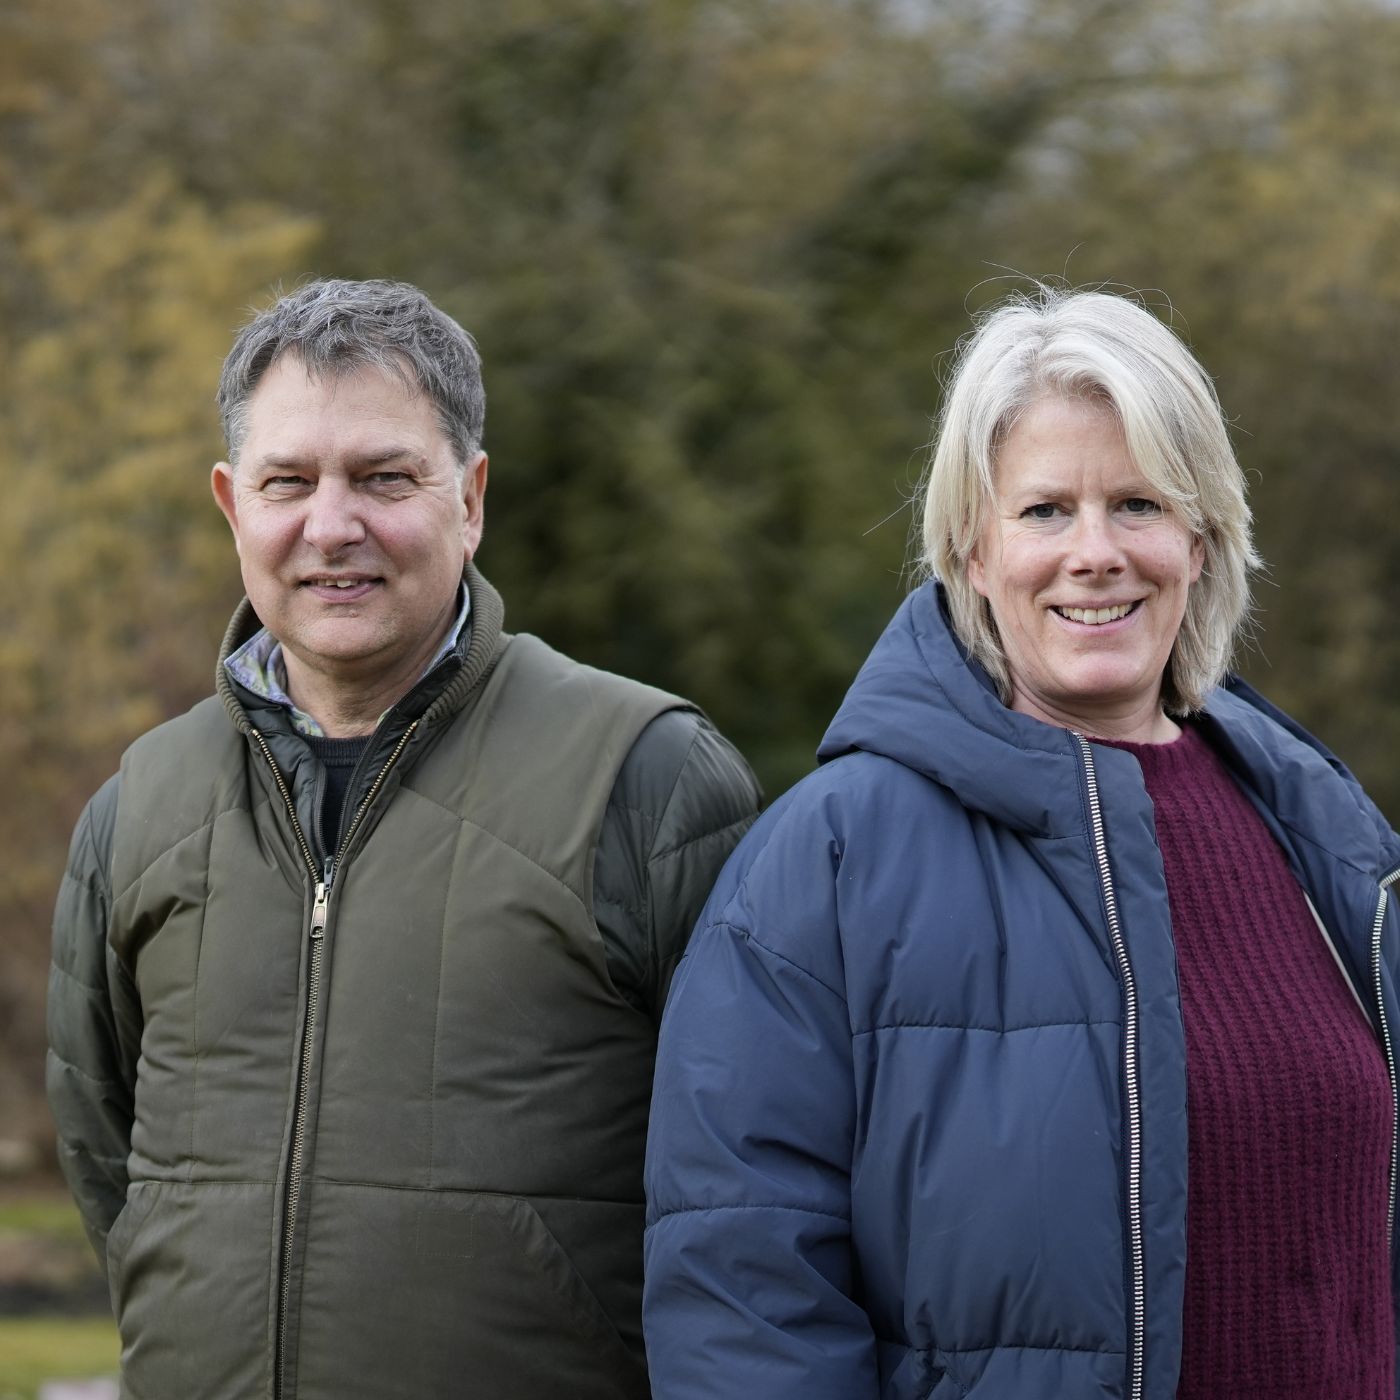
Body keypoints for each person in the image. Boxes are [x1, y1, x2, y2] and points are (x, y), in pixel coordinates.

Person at [643, 287, 1400, 1399]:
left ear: (1198, 541)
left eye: (1137, 503)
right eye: (1045, 510)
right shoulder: (825, 862)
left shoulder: (1330, 842)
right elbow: (741, 1292)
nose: (1095, 553)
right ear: (971, 551)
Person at [47, 278, 761, 1400]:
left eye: (384, 477)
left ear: (469, 499)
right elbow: (106, 1160)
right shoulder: (140, 806)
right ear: (233, 506)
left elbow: (755, 1189)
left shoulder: (646, 779)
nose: (332, 525)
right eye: (289, 481)